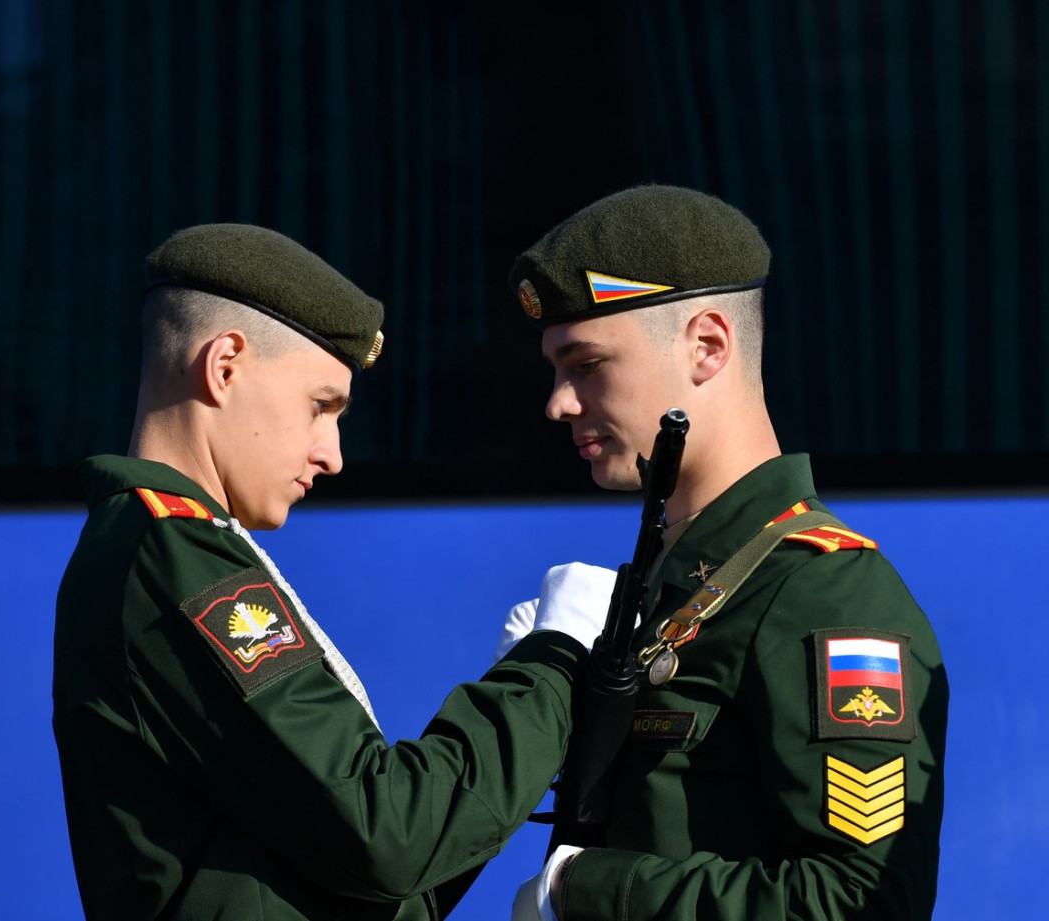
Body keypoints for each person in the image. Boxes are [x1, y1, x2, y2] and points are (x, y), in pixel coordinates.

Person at [52, 222, 618, 920]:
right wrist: (551, 667)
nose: (333, 454)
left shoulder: (162, 548)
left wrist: (528, 696)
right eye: (320, 406)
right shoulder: (173, 554)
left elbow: (381, 879)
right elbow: (389, 834)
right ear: (224, 366)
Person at [502, 186, 948, 920]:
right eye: (556, 371)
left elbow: (860, 901)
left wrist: (581, 889)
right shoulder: (678, 586)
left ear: (708, 346)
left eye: (587, 364)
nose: (559, 402)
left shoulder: (823, 590)